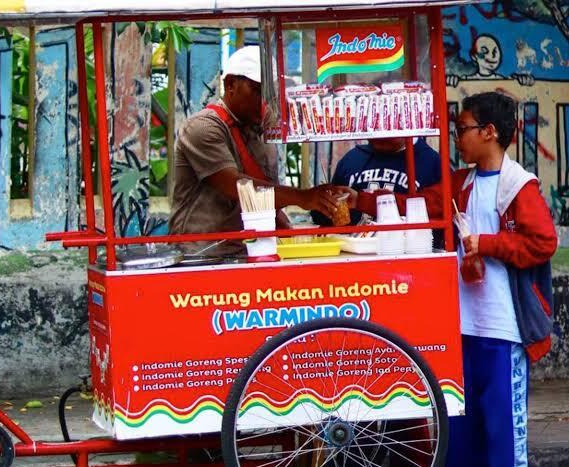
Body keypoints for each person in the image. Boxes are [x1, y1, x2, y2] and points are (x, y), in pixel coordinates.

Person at [348, 92, 557, 466]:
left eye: (462, 130)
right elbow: (418, 204)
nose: (457, 138)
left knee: (503, 443)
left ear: (489, 132)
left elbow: (543, 242)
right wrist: (360, 201)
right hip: (461, 328)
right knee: (460, 438)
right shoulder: (462, 183)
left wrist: (486, 244)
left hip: (503, 330)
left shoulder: (520, 186)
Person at [169, 46, 348, 254]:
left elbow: (266, 193)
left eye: (269, 93)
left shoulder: (260, 128)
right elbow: (236, 187)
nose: (264, 101)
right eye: (256, 90)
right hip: (201, 254)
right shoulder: (203, 128)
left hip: (247, 250)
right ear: (230, 85)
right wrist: (304, 198)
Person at [312, 137, 441, 226]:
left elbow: (436, 214)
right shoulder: (352, 158)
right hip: (353, 254)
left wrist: (362, 201)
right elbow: (332, 218)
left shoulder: (432, 162)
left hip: (405, 257)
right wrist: (324, 206)